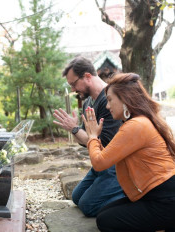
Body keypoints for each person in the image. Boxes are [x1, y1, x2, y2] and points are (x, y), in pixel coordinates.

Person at [83, 72, 175, 232]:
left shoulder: (136, 125)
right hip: (154, 196)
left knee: (106, 221)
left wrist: (92, 137)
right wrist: (95, 138)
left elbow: (99, 163)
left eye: (110, 100)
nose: (107, 106)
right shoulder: (138, 122)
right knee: (104, 212)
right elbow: (108, 157)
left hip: (165, 199)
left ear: (125, 99)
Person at [53, 56, 125, 217]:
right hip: (100, 164)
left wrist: (75, 129)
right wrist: (75, 129)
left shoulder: (110, 100)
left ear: (87, 76)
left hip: (116, 165)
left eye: (73, 84)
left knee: (87, 206)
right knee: (77, 197)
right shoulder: (87, 103)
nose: (73, 90)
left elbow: (105, 144)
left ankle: (130, 197)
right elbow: (88, 142)